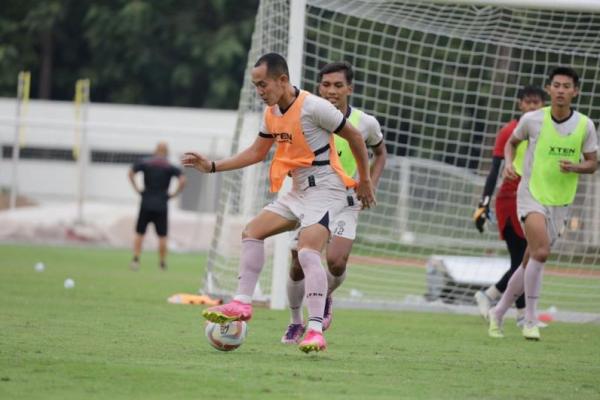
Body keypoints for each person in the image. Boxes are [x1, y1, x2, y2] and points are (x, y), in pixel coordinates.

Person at [182, 53, 375, 353]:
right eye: (256, 86)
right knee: (252, 232)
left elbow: (355, 137)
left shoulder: (314, 106)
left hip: (327, 188)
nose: (260, 92)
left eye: (263, 85)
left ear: (283, 80)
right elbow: (256, 152)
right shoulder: (271, 113)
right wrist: (213, 166)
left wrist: (364, 179)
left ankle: (314, 330)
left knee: (309, 253)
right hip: (298, 190)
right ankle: (242, 304)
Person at [488, 67, 598, 340]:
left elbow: (593, 163)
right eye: (556, 85)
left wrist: (575, 167)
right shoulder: (532, 119)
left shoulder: (585, 125)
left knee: (529, 260)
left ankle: (499, 311)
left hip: (560, 200)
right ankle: (529, 318)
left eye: (566, 86)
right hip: (531, 194)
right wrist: (510, 164)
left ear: (575, 91)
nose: (561, 90)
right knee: (542, 253)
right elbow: (511, 144)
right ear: (549, 89)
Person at [281, 61, 387, 344]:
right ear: (319, 87)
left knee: (336, 263)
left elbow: (381, 152)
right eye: (326, 85)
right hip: (310, 196)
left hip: (346, 200)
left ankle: (324, 294)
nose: (331, 91)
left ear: (349, 88)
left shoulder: (365, 123)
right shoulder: (307, 114)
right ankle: (295, 322)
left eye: (338, 85)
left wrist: (369, 183)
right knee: (297, 264)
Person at [473, 86, 545, 328]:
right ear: (520, 105)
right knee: (523, 258)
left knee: (527, 257)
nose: (533, 106)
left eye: (537, 102)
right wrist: (483, 203)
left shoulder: (546, 131)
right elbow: (495, 170)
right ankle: (510, 307)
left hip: (535, 198)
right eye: (528, 102)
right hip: (509, 200)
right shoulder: (509, 132)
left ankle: (498, 300)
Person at [129, 141, 186, 270]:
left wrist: (137, 189)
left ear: (155, 150)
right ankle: (162, 263)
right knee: (162, 235)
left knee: (140, 232)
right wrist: (174, 194)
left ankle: (136, 259)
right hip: (162, 204)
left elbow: (130, 173)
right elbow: (183, 180)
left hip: (146, 202)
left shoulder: (145, 163)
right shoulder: (170, 166)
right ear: (167, 151)